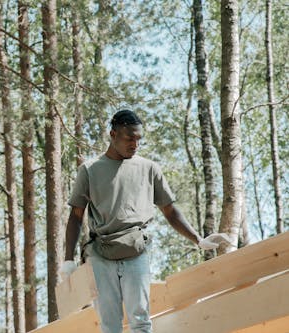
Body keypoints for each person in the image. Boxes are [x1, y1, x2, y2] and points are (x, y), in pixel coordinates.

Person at [60, 110, 228, 333]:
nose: (135, 144)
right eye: (130, 138)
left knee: (140, 320)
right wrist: (68, 259)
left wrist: (198, 239)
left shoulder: (149, 168)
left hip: (136, 251)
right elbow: (76, 215)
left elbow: (170, 210)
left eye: (139, 139)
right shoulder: (90, 170)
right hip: (100, 254)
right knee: (109, 324)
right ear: (113, 134)